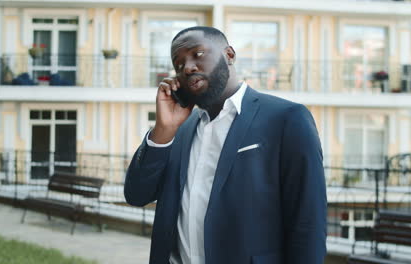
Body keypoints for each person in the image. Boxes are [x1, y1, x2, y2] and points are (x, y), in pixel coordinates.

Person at [124, 26, 327, 264]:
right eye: (178, 64)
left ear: (229, 55)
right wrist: (163, 130)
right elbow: (136, 195)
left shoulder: (287, 118)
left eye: (197, 54)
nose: (187, 67)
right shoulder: (178, 128)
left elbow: (308, 224)